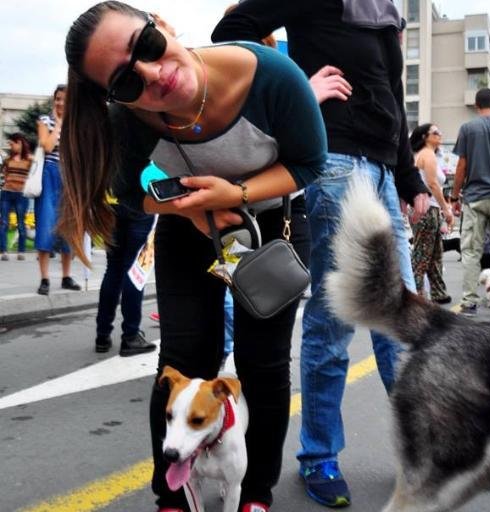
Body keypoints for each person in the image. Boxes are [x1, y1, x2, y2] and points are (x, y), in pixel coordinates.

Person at [59, 3, 327, 511]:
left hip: (271, 227)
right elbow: (123, 192)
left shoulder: (273, 77)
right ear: (113, 97)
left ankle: (255, 494)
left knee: (263, 364)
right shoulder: (129, 122)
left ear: (161, 25)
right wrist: (188, 212)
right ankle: (173, 497)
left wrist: (233, 195)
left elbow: (310, 163)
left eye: (147, 47)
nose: (152, 74)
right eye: (125, 82)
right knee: (182, 360)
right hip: (188, 225)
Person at [212, 0, 430, 507]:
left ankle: (422, 449)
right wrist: (297, 91)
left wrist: (409, 177)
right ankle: (319, 456)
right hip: (332, 163)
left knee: (405, 322)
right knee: (333, 324)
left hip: (379, 171)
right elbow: (231, 33)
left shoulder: (385, 10)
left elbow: (392, 99)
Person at [451, 87, 490, 317]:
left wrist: (455, 196)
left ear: (476, 106)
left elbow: (461, 167)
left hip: (475, 197)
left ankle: (469, 302)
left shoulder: (468, 129)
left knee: (471, 251)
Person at [34, 84, 81, 295]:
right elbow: (47, 146)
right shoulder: (45, 121)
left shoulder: (77, 125)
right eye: (57, 99)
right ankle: (44, 279)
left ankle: (66, 276)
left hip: (70, 177)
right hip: (50, 174)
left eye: (64, 99)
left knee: (69, 228)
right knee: (46, 224)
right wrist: (59, 123)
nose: (60, 103)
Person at [95, 200, 157, 356]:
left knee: (113, 268)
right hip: (139, 201)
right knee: (134, 269)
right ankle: (130, 335)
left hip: (110, 203)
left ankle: (102, 335)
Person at [409, 123, 454, 303]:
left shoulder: (428, 154)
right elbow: (433, 184)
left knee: (435, 253)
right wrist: (446, 208)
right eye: (435, 132)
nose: (440, 134)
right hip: (427, 209)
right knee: (422, 254)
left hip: (429, 209)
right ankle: (415, 294)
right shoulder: (427, 155)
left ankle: (438, 292)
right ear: (424, 137)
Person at [0, 133, 31, 261]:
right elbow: (4, 174)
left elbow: (33, 176)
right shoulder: (7, 160)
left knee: (21, 224)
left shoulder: (29, 161)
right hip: (7, 193)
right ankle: (3, 251)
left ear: (20, 143)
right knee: (3, 223)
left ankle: (21, 251)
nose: (11, 146)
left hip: (21, 195)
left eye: (12, 144)